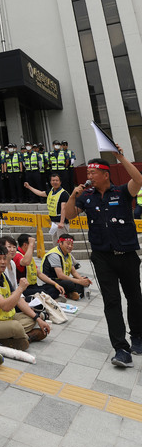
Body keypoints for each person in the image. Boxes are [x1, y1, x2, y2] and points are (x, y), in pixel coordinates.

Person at [66, 149, 142, 368]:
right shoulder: (87, 197)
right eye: (87, 172)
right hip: (102, 258)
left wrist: (120, 157)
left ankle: (137, 335)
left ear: (105, 174)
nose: (88, 176)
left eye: (92, 172)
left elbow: (138, 179)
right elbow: (70, 215)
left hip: (126, 254)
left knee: (135, 298)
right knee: (111, 301)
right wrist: (73, 196)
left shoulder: (122, 192)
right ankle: (121, 348)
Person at [0, 242, 50, 350]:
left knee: (33, 317)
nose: (3, 262)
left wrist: (38, 319)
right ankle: (24, 337)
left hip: (4, 318)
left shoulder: (2, 275)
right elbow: (5, 306)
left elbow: (19, 300)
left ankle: (10, 338)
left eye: (4, 258)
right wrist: (20, 289)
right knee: (16, 327)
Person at [39, 233, 91, 300]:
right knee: (69, 283)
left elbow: (74, 272)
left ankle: (72, 293)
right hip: (52, 282)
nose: (70, 246)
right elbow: (60, 275)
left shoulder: (68, 255)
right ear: (60, 243)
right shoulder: (54, 255)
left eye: (72, 244)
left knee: (84, 278)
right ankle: (74, 293)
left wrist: (81, 279)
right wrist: (78, 281)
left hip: (62, 280)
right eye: (68, 244)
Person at [13, 234, 64, 300]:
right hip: (24, 289)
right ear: (25, 245)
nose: (34, 246)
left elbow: (39, 274)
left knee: (54, 289)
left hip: (34, 286)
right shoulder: (17, 255)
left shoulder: (29, 256)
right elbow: (26, 262)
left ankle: (44, 299)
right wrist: (31, 244)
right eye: (33, 244)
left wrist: (55, 284)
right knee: (42, 294)